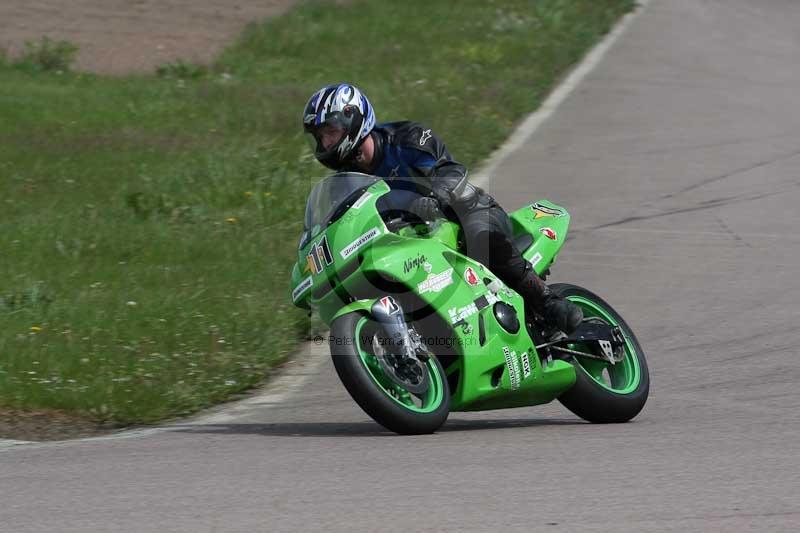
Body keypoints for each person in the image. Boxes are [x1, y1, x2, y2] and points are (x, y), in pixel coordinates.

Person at [302, 83, 583, 334]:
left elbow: (450, 172)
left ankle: (547, 301)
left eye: (330, 132)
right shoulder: (345, 182)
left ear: (354, 119)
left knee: (480, 236)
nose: (325, 143)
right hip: (413, 238)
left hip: (465, 213)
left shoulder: (409, 137)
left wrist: (434, 197)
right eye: (320, 137)